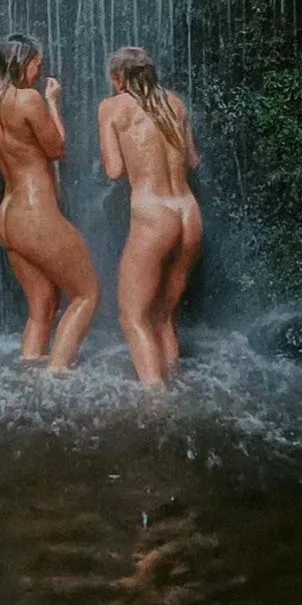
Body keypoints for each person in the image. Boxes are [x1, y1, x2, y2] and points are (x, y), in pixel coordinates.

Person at [0, 34, 100, 369]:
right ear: (23, 62)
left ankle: (29, 376)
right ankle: (55, 379)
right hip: (35, 212)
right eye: (37, 65)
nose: (38, 72)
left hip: (8, 214)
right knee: (87, 293)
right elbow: (56, 148)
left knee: (42, 305)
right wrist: (54, 102)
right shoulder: (28, 99)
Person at [98, 46, 202, 386]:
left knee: (133, 317)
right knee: (162, 315)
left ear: (118, 79)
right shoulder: (176, 103)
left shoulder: (113, 107)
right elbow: (192, 162)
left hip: (154, 216)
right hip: (188, 213)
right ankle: (174, 382)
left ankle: (155, 404)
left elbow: (114, 170)